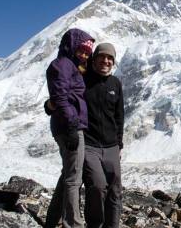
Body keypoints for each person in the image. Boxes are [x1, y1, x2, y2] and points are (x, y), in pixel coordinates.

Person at [44, 28, 94, 228]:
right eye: (80, 50)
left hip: (66, 125)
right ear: (71, 46)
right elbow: (60, 98)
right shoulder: (63, 65)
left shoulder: (70, 65)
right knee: (74, 178)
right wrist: (73, 125)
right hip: (69, 126)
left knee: (68, 174)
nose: (83, 55)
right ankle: (73, 224)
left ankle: (51, 220)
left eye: (87, 53)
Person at [82, 42, 124, 228]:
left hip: (111, 146)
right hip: (89, 145)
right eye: (102, 57)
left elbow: (119, 115)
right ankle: (95, 224)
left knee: (115, 191)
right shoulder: (83, 80)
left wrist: (119, 144)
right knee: (97, 187)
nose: (105, 61)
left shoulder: (115, 83)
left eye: (110, 58)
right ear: (95, 58)